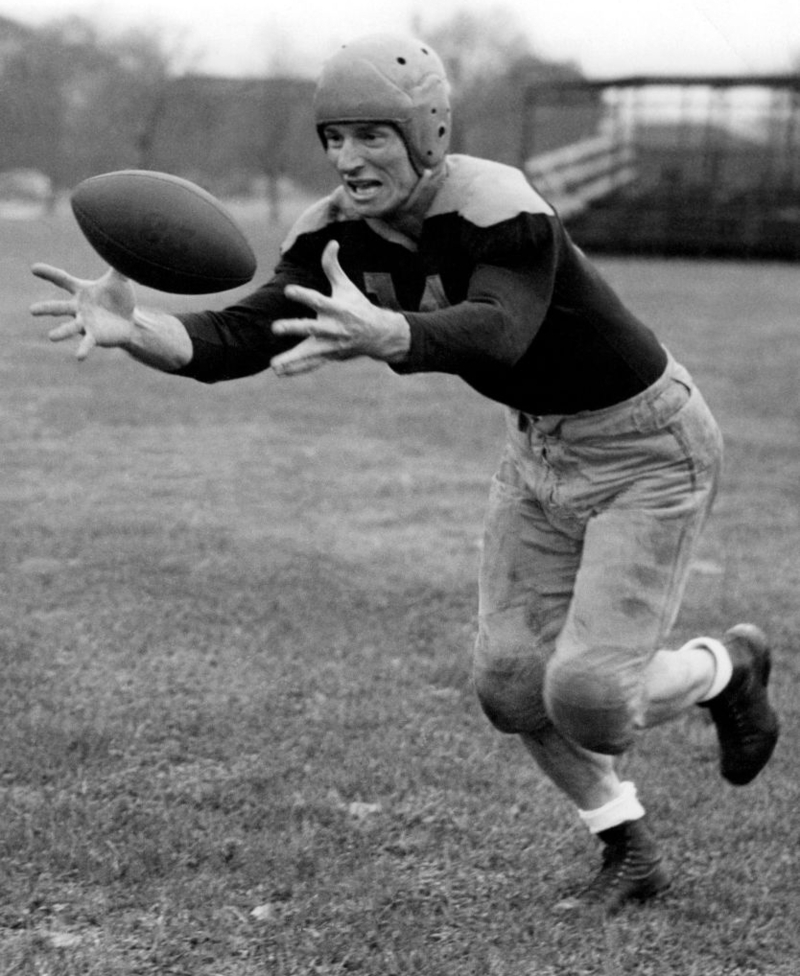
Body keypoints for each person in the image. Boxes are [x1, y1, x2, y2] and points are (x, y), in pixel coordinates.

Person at [30, 33, 779, 914]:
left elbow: (502, 325)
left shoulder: (501, 204)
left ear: (426, 131)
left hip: (646, 447)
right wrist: (140, 330)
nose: (348, 159)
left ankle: (725, 668)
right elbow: (240, 335)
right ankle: (628, 847)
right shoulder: (334, 233)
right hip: (537, 450)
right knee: (508, 684)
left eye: (372, 136)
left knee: (588, 698)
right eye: (333, 138)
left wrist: (396, 335)